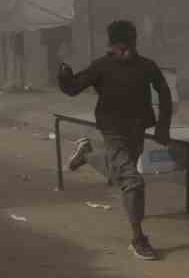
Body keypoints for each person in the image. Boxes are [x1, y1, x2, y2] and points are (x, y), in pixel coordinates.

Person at [59, 19, 174, 262]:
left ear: (134, 44)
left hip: (136, 129)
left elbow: (164, 93)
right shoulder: (101, 66)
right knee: (132, 180)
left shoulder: (147, 66)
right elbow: (72, 88)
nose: (125, 52)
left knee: (118, 176)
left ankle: (87, 153)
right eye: (120, 48)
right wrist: (64, 76)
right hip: (112, 130)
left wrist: (163, 125)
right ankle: (138, 238)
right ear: (111, 47)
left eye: (129, 46)